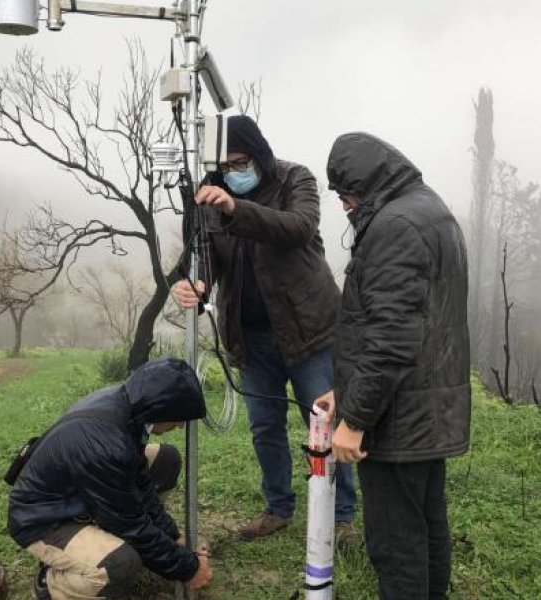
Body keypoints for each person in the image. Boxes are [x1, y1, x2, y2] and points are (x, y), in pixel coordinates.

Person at [171, 115, 358, 542]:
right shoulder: (207, 194)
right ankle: (278, 507)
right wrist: (198, 283)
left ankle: (342, 515)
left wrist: (235, 208)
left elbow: (297, 228)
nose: (231, 173)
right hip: (251, 337)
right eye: (225, 166)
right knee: (264, 426)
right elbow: (207, 254)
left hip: (309, 331)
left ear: (257, 154)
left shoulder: (296, 180)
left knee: (326, 423)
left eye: (240, 163)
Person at [319, 132, 471, 599]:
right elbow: (411, 322)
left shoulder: (394, 227)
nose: (345, 206)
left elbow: (390, 338)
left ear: (365, 184)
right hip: (429, 406)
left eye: (346, 195)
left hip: (398, 418)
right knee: (426, 523)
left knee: (395, 542)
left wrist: (355, 420)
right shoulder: (432, 211)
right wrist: (345, 392)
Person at [7, 357, 213, 599]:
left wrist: (172, 537)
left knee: (165, 459)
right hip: (43, 518)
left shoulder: (128, 407)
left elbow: (140, 484)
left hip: (81, 494)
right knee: (120, 563)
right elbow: (130, 524)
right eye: (179, 417)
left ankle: (105, 543)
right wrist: (188, 569)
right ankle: (52, 585)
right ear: (159, 407)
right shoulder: (106, 444)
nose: (179, 425)